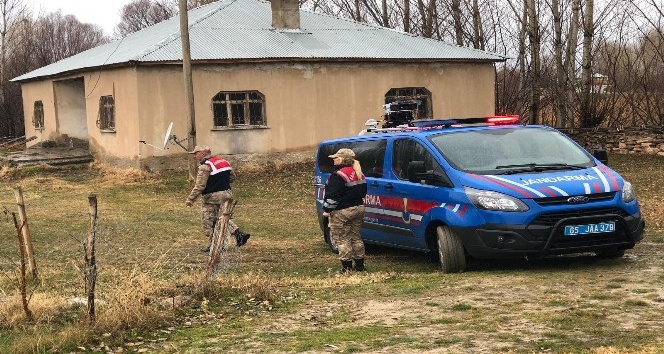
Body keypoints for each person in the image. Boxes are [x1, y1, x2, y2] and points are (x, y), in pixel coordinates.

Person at [185, 145, 250, 252]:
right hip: (226, 194)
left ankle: (215, 244)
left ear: (203, 153)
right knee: (223, 218)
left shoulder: (204, 167)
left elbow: (200, 186)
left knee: (210, 221)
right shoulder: (223, 162)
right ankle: (237, 235)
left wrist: (190, 199)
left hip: (211, 198)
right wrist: (221, 183)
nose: (195, 156)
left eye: (196, 153)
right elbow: (232, 177)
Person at [322, 148, 368, 273]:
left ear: (341, 159)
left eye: (335, 158)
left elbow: (333, 195)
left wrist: (326, 210)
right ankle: (360, 266)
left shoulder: (338, 175)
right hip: (358, 208)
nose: (333, 160)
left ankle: (346, 268)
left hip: (342, 211)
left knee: (342, 239)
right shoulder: (359, 173)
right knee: (356, 237)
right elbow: (363, 192)